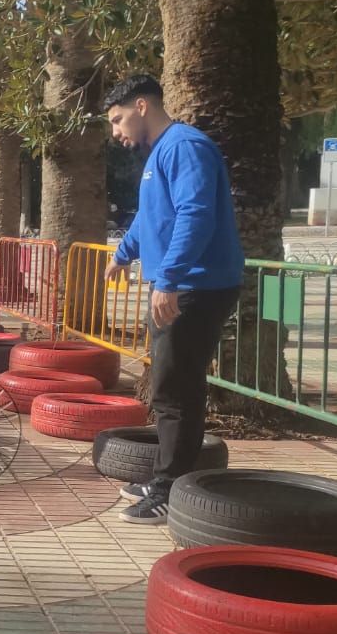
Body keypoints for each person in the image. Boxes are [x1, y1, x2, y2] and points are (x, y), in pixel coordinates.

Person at [103, 73, 244, 528]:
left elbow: (195, 214)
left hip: (196, 287)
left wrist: (170, 279)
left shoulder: (184, 146)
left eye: (118, 119)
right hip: (181, 284)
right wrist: (123, 254)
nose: (116, 132)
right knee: (173, 385)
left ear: (142, 106)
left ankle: (170, 490)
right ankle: (169, 479)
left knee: (174, 388)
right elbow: (151, 217)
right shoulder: (161, 153)